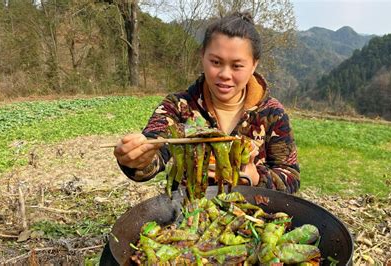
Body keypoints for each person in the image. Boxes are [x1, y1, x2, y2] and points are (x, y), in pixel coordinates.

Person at [114, 12, 300, 194]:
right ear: (202, 56)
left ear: (254, 65)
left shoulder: (272, 114)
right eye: (216, 62)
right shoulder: (178, 106)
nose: (225, 75)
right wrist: (138, 159)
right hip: (187, 215)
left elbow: (290, 178)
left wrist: (256, 177)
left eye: (237, 66)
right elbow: (153, 152)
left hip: (249, 216)